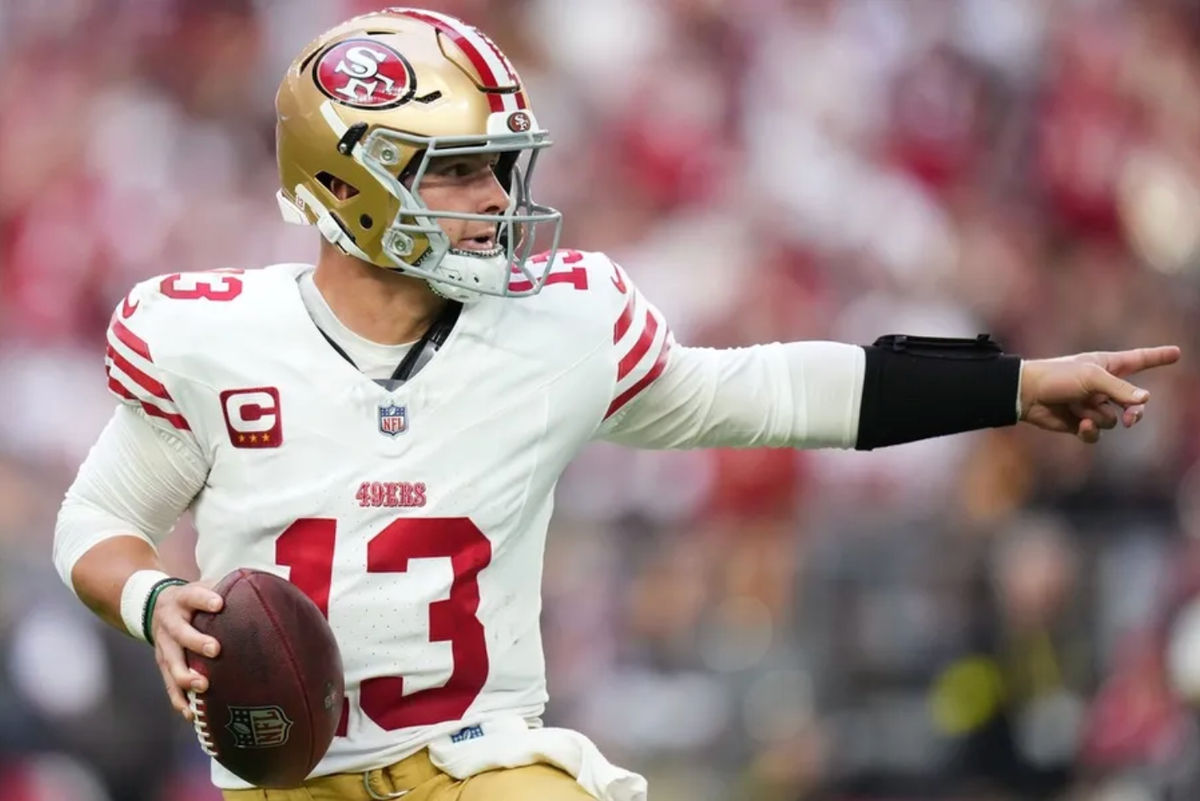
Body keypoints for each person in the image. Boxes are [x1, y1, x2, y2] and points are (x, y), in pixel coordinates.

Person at [52, 8, 1180, 801]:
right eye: (459, 171)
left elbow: (771, 388)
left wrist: (1012, 385)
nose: (498, 200)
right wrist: (153, 600)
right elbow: (93, 522)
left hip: (476, 765)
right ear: (351, 179)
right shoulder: (212, 336)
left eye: (500, 168)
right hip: (281, 777)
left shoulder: (555, 325)